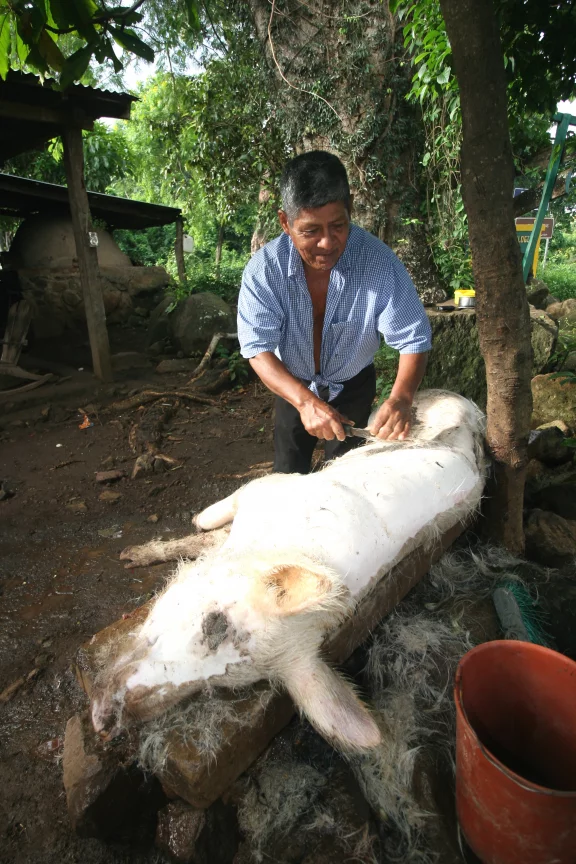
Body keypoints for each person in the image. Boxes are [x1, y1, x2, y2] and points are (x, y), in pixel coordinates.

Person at [237, 150, 432, 474]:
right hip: (293, 386)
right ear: (285, 222)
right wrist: (304, 402)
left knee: (349, 478)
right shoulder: (264, 271)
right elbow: (257, 349)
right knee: (287, 474)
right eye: (311, 231)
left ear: (350, 210)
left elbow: (414, 337)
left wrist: (400, 399)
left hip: (353, 385)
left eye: (338, 226)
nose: (327, 243)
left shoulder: (380, 263)